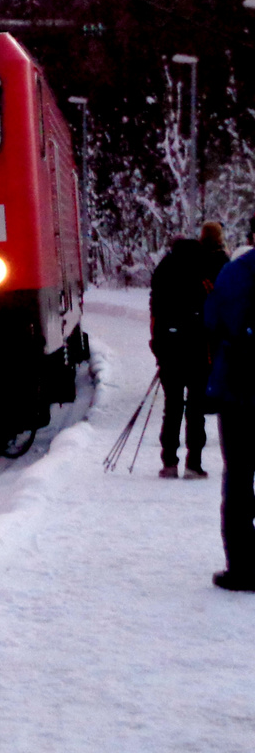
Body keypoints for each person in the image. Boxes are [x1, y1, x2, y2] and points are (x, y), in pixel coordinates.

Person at [204, 225, 255, 591]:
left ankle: (241, 567)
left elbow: (211, 320)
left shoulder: (234, 272)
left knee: (238, 477)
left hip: (237, 390)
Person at [151, 237, 218, 478]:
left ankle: (169, 462)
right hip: (198, 349)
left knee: (172, 406)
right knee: (195, 408)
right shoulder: (202, 272)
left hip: (169, 348)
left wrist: (158, 347)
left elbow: (155, 312)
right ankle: (194, 463)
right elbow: (212, 310)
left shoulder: (163, 269)